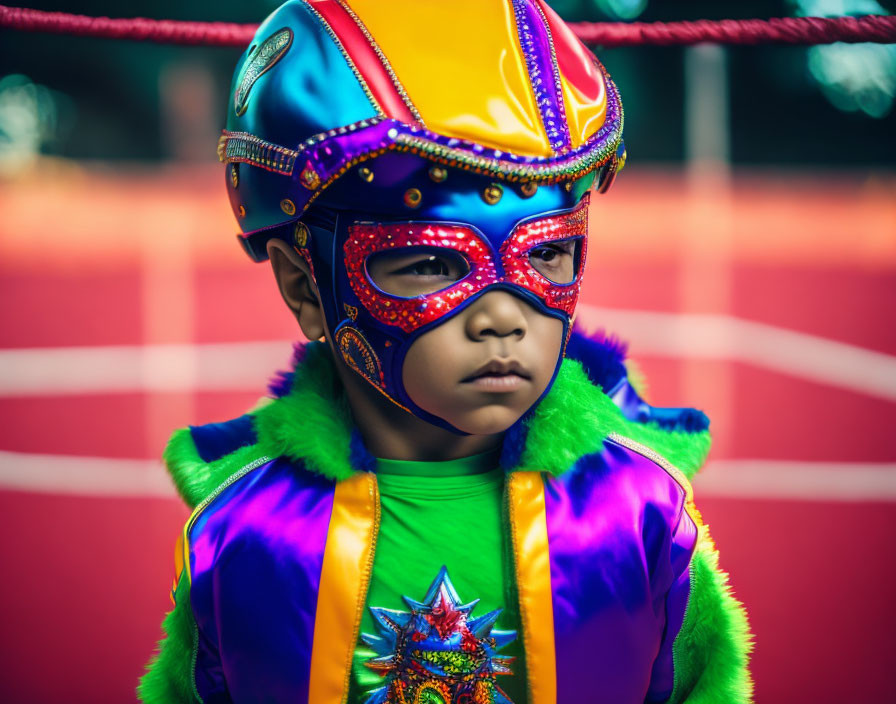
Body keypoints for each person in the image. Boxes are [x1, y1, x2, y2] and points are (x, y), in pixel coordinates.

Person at [139, 1, 752, 702]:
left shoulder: (638, 514)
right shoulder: (242, 532)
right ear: (306, 286)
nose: (502, 318)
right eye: (432, 264)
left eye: (546, 253)